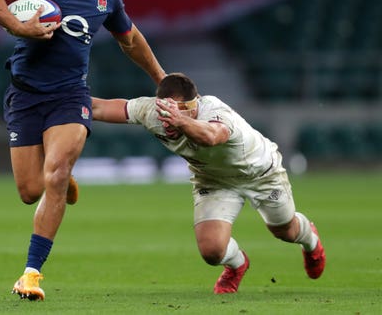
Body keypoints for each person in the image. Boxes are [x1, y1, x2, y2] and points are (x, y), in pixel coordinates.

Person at [0, 0, 166, 300]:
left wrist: (161, 78)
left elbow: (131, 40)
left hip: (70, 96)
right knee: (30, 191)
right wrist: (19, 27)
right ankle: (58, 178)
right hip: (24, 96)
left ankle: (30, 274)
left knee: (56, 172)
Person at [91, 72, 326, 294]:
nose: (167, 122)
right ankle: (237, 265)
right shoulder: (150, 110)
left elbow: (212, 137)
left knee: (284, 230)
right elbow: (98, 108)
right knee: (211, 251)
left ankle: (310, 239)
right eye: (164, 114)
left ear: (193, 108)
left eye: (176, 114)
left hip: (261, 174)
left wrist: (180, 121)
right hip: (213, 179)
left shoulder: (215, 111)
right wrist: (60, 101)